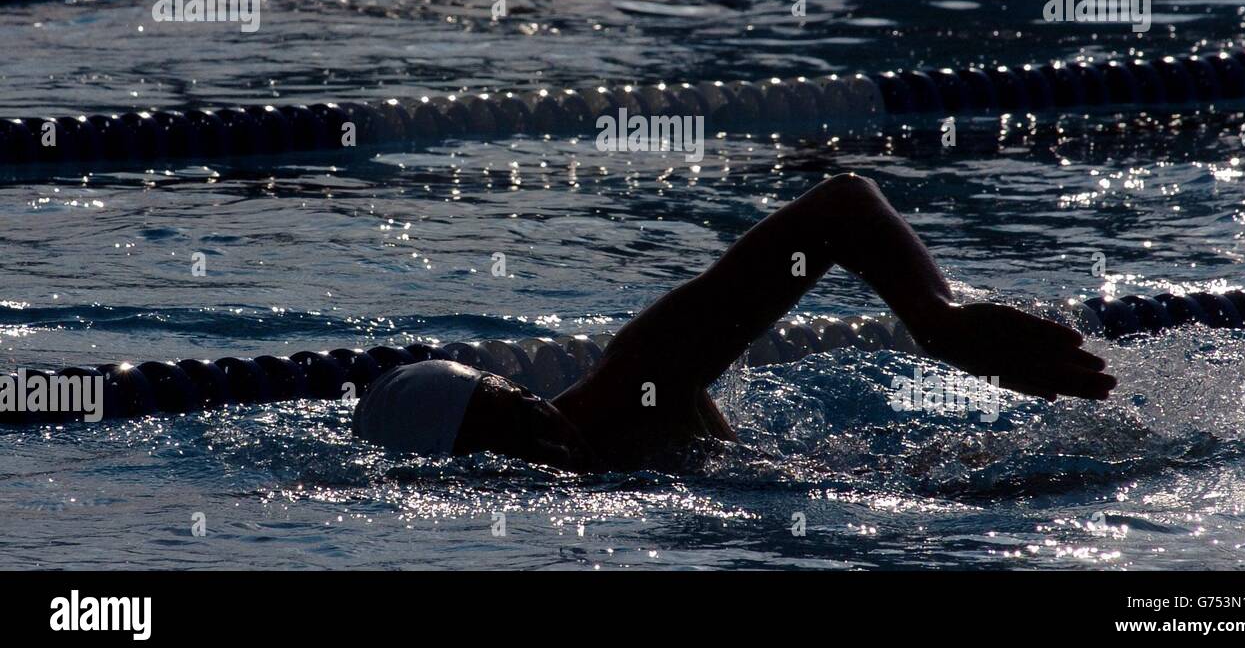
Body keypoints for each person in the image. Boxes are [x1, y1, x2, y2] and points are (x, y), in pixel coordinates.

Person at [353, 173, 1116, 471]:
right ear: (465, 473)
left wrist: (936, 320)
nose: (543, 424)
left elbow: (840, 207)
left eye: (520, 399)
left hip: (955, 480)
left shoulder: (633, 383)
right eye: (505, 431)